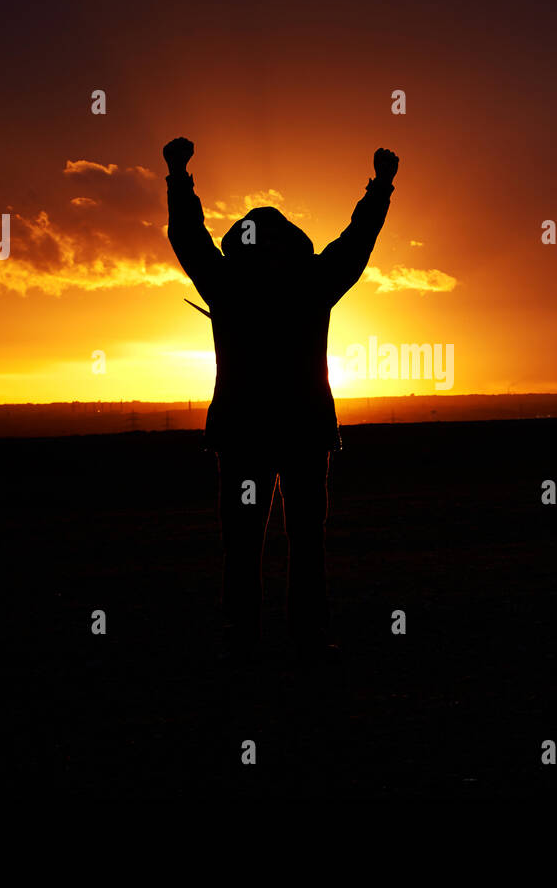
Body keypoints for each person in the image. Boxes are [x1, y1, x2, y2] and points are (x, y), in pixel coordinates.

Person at [163, 137, 398, 663]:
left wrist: (179, 175)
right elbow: (357, 241)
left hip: (249, 434)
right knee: (302, 540)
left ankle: (245, 640)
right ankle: (303, 640)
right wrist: (380, 186)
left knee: (246, 543)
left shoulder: (227, 284)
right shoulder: (310, 282)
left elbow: (188, 237)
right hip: (302, 433)